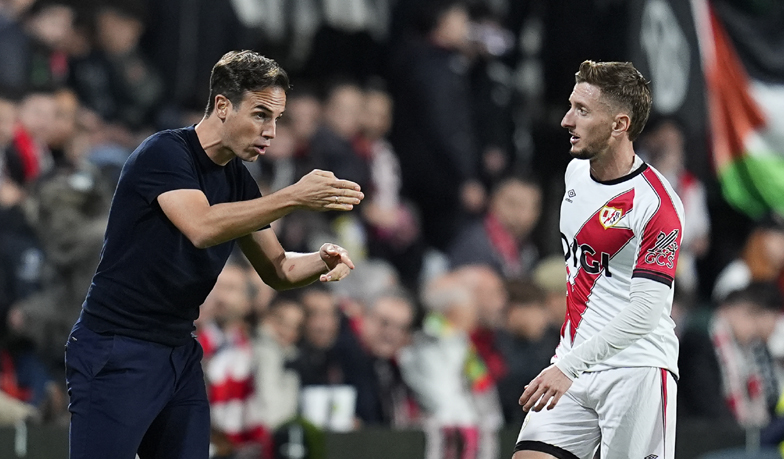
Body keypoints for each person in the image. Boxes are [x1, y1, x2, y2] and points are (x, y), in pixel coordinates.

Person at [64, 50, 364, 459]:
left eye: (277, 118)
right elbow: (202, 227)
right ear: (222, 105)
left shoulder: (237, 180)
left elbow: (279, 269)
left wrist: (322, 260)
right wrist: (293, 196)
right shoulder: (164, 152)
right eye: (261, 114)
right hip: (117, 348)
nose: (271, 131)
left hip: (179, 354)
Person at [513, 60, 684, 459]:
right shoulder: (574, 174)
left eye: (582, 111)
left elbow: (645, 313)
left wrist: (569, 366)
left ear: (619, 124)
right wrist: (570, 363)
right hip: (574, 364)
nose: (566, 120)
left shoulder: (657, 205)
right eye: (570, 106)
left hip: (637, 371)